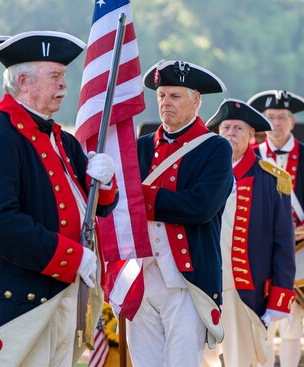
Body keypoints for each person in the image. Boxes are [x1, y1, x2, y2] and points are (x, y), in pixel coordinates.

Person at [0, 31, 118, 366]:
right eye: (55, 77)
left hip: (59, 292)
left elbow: (102, 206)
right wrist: (71, 256)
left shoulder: (63, 139)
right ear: (23, 81)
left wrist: (104, 181)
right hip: (18, 298)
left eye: (64, 76)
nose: (64, 85)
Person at [130, 60, 234, 367]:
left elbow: (200, 207)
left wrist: (139, 197)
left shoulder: (215, 148)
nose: (165, 103)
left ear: (196, 100)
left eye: (175, 96)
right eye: (161, 95)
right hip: (140, 275)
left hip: (187, 277)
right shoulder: (139, 147)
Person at [201, 99, 296, 367]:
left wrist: (280, 295)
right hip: (201, 284)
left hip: (244, 289)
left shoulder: (272, 179)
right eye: (226, 127)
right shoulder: (201, 173)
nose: (231, 132)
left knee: (243, 360)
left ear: (252, 135)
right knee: (199, 358)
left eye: (238, 128)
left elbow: (284, 243)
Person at [248, 89, 304, 367]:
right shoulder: (249, 157)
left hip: (296, 248)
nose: (276, 122)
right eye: (271, 117)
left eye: (282, 117)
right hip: (255, 249)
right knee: (256, 320)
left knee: (291, 320)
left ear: (292, 122)